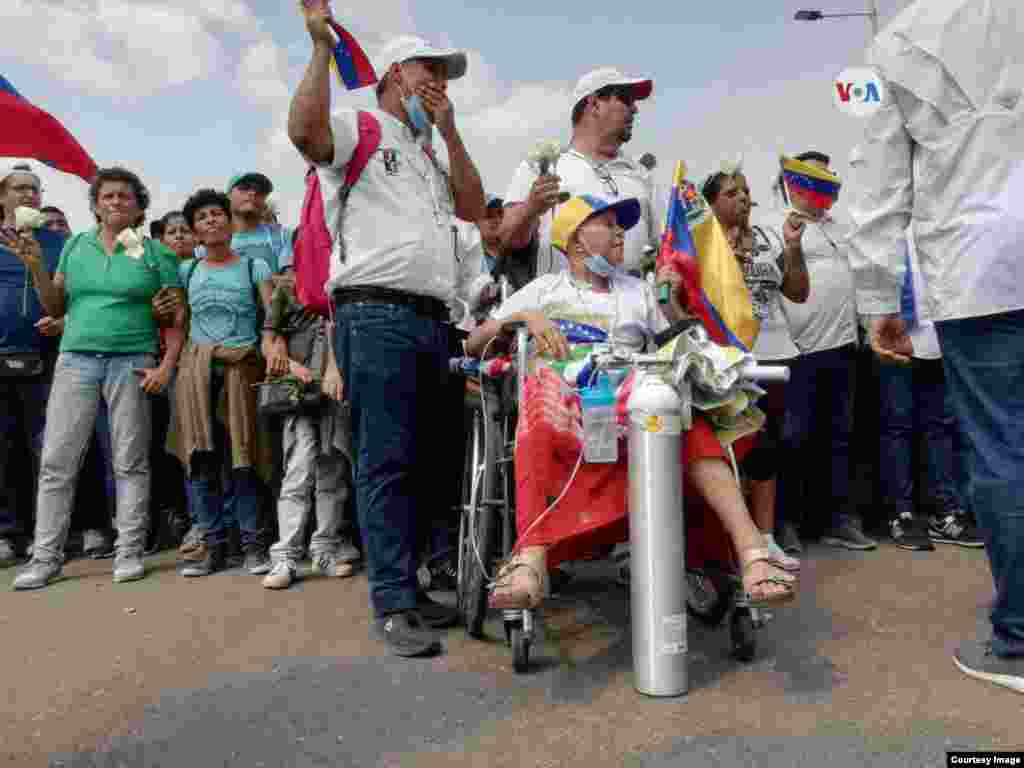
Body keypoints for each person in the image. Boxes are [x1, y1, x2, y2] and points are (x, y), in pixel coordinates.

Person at [466, 195, 798, 613]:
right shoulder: (544, 289)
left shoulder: (638, 291)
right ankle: (530, 558)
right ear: (576, 242)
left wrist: (671, 301)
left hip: (633, 402)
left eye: (620, 225)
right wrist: (525, 319)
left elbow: (677, 346)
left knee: (684, 412)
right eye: (608, 224)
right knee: (537, 394)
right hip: (566, 405)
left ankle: (753, 553)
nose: (621, 231)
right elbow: (474, 341)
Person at [289, 0, 487, 656]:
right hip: (374, 315)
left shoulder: (429, 153)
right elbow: (306, 135)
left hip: (435, 323)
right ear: (395, 76)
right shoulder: (361, 124)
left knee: (431, 463)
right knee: (386, 461)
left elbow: (473, 208)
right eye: (428, 70)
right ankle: (393, 601)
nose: (439, 82)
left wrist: (450, 132)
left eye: (445, 75)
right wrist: (320, 49)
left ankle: (415, 587)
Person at [847, 0, 1023, 693]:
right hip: (979, 263)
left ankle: (1019, 637)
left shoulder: (905, 39)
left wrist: (878, 300)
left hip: (978, 264)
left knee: (1004, 447)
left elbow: (879, 185)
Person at [4, 167, 186, 590]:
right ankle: (46, 558)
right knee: (56, 461)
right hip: (76, 360)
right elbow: (54, 303)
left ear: (139, 206)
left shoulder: (155, 254)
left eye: (125, 196)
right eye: (108, 196)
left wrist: (165, 366)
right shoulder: (75, 246)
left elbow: (177, 317)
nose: (116, 202)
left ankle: (130, 550)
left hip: (132, 360)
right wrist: (35, 267)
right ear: (96, 204)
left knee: (130, 460)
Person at [172, 189, 288, 578]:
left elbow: (272, 313)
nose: (211, 221)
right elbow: (180, 324)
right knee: (202, 460)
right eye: (202, 217)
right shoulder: (187, 271)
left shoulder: (253, 267)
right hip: (197, 373)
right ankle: (214, 548)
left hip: (243, 370)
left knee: (245, 460)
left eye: (217, 214)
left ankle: (254, 546)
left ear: (229, 221)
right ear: (195, 231)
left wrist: (273, 346)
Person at [702, 166, 814, 565]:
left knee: (773, 448)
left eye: (746, 191)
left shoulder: (767, 239)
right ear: (712, 203)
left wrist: (793, 247)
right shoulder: (703, 242)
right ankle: (734, 539)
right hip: (731, 361)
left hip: (778, 354)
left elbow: (799, 292)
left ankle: (766, 539)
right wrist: (725, 260)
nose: (743, 198)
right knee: (736, 450)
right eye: (732, 193)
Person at [768, 151, 871, 553]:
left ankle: (840, 520)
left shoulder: (842, 227)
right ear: (794, 185)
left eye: (828, 180)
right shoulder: (775, 225)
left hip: (844, 346)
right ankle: (787, 522)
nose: (824, 187)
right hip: (797, 350)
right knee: (794, 439)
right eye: (815, 180)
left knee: (841, 437)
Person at [501, 68, 661, 276]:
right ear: (594, 104)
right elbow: (507, 237)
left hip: (633, 304)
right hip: (562, 305)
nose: (634, 109)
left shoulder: (641, 175)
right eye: (625, 100)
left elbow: (663, 249)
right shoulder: (542, 165)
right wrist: (530, 208)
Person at [876, 231, 980, 551]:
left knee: (940, 427)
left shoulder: (938, 220)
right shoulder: (885, 221)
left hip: (938, 337)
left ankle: (945, 512)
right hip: (895, 337)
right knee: (898, 426)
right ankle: (901, 514)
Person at [262, 279, 361, 590]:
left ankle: (324, 550)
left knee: (332, 472)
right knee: (299, 471)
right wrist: (290, 366)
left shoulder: (343, 285)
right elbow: (267, 341)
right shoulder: (286, 290)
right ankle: (286, 555)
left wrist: (334, 369)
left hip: (334, 392)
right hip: (300, 395)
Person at [0, 164, 65, 567]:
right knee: (3, 452)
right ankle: (7, 533)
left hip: (48, 359)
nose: (29, 196)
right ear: (2, 197)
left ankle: (50, 533)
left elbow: (74, 295)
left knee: (47, 450)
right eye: (20, 188)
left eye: (35, 189)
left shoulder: (58, 243)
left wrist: (62, 320)